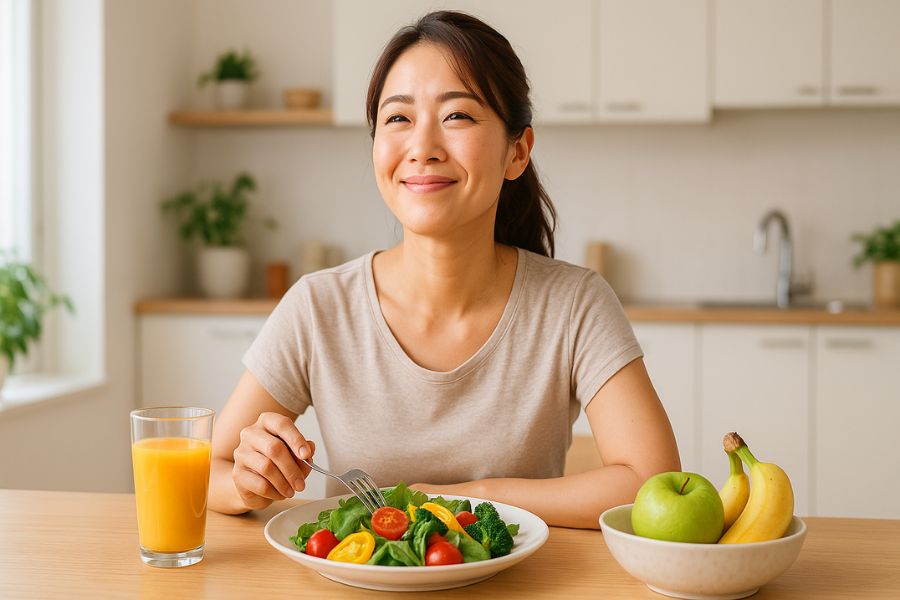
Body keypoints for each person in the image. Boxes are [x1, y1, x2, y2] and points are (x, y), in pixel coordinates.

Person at [208, 10, 680, 529]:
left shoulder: (574, 303)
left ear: (517, 151)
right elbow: (211, 467)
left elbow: (650, 482)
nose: (423, 148)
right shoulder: (319, 305)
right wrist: (247, 480)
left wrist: (464, 498)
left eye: (457, 116)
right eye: (398, 118)